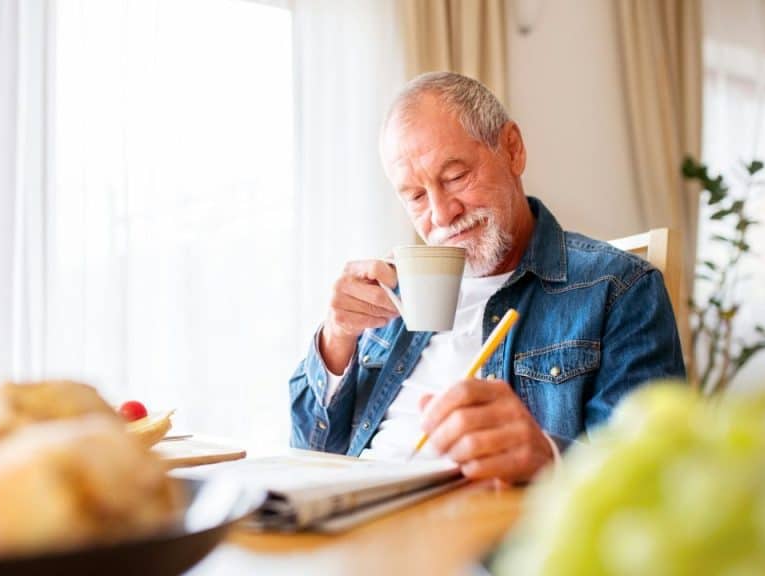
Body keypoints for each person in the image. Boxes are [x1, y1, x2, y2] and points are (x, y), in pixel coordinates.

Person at [288, 72, 685, 483]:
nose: (442, 215)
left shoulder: (617, 288)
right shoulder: (393, 291)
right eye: (417, 197)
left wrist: (548, 459)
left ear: (511, 149)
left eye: (456, 177)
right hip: (358, 518)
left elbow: (653, 475)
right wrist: (336, 340)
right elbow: (307, 454)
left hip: (485, 532)